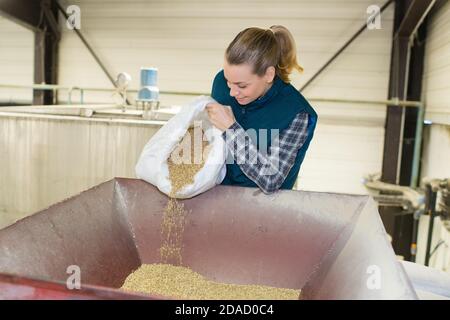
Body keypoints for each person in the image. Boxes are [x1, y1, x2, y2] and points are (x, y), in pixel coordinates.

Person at [206, 25, 318, 194]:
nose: (232, 92)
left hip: (263, 211)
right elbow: (209, 137)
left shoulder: (296, 113)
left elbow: (270, 179)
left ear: (268, 75)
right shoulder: (221, 82)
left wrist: (231, 129)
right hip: (217, 196)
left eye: (242, 85)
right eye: (229, 81)